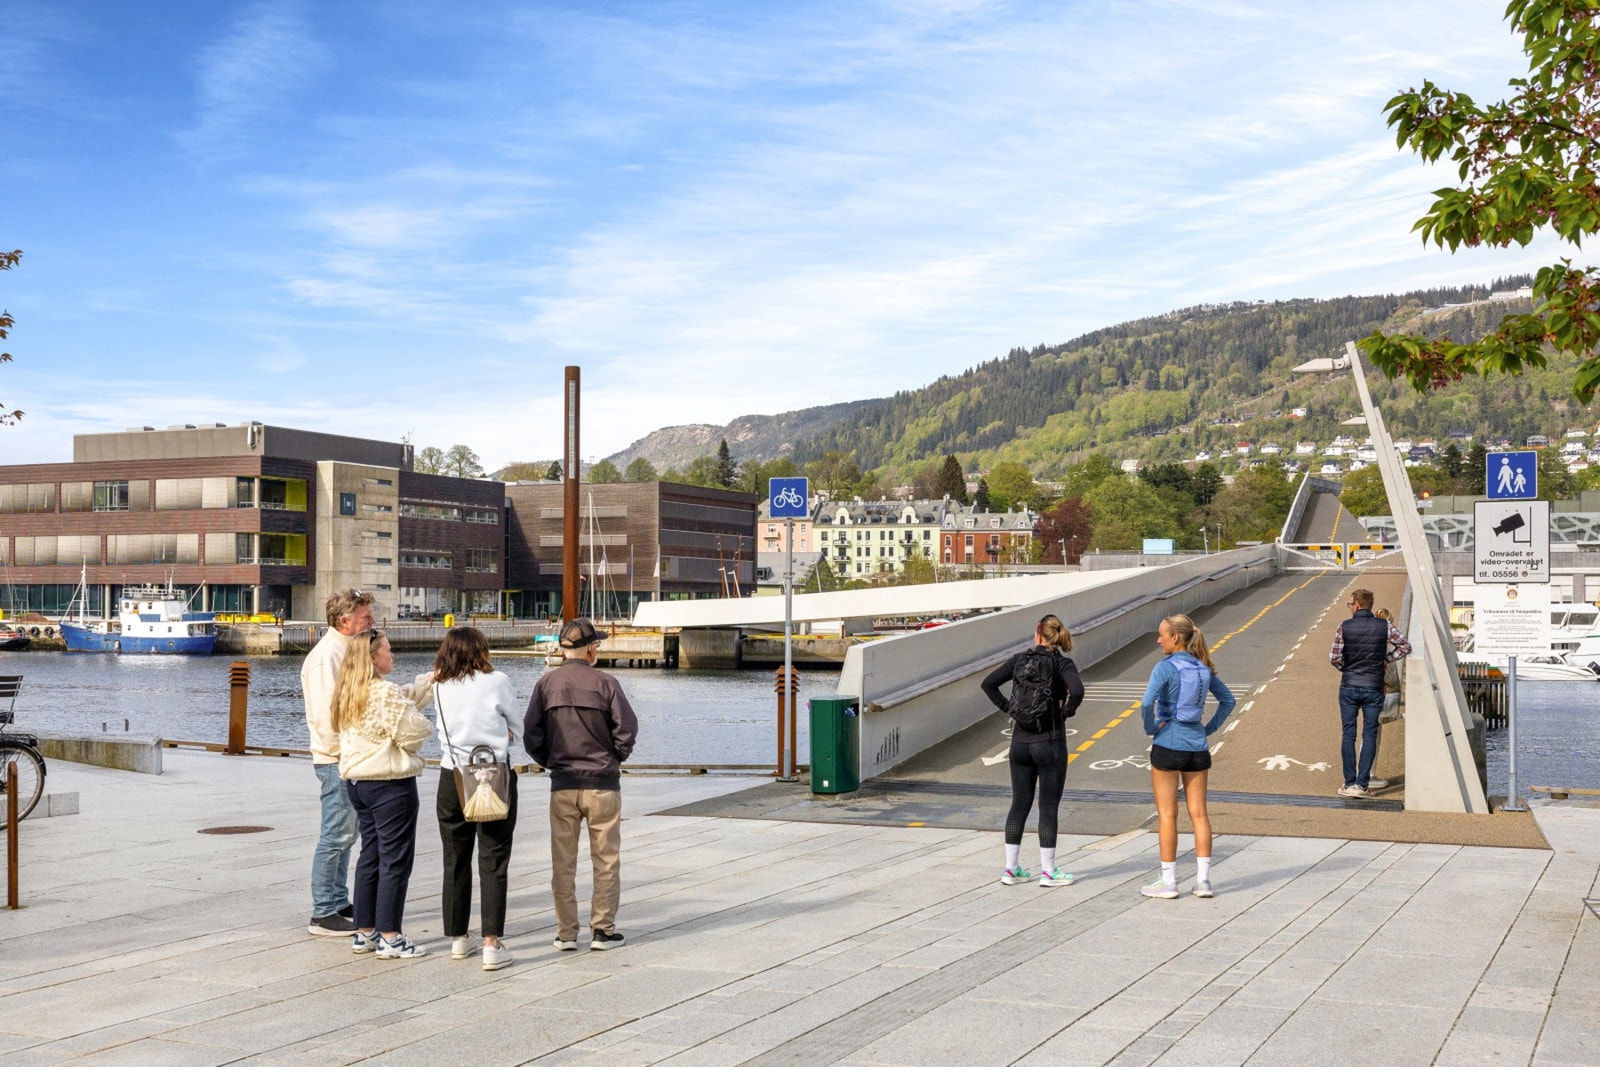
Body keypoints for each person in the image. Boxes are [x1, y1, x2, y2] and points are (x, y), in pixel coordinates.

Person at [525, 618, 638, 952]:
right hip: (602, 783)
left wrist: (552, 762)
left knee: (563, 863)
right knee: (605, 860)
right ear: (590, 648)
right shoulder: (607, 683)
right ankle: (602, 930)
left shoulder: (546, 684)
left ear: (562, 649)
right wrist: (614, 757)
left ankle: (566, 933)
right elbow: (627, 730)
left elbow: (532, 734)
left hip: (563, 784)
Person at [335, 630, 435, 959]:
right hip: (390, 785)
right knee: (395, 861)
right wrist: (426, 724)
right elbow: (410, 730)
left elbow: (401, 699)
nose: (393, 656)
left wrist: (429, 681)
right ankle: (391, 936)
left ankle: (364, 932)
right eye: (388, 651)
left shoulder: (349, 691)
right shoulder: (384, 693)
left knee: (370, 856)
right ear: (374, 658)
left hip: (358, 784)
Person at [433, 626, 522, 971]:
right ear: (481, 650)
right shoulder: (497, 680)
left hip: (451, 777)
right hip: (493, 775)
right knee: (493, 859)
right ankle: (491, 944)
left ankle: (458, 939)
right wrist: (505, 737)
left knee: (454, 859)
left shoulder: (439, 686)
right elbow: (519, 724)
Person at [980, 614, 1085, 887]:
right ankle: (1048, 871)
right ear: (1058, 634)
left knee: (1019, 804)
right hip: (1050, 742)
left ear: (1038, 631)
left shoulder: (1019, 661)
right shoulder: (1062, 663)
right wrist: (1065, 713)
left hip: (1019, 744)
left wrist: (1010, 709)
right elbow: (1077, 690)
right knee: (1048, 806)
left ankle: (1011, 869)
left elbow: (988, 684)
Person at [1139, 614, 1236, 899]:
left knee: (1168, 815)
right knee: (1200, 814)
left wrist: (1150, 728)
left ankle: (1168, 883)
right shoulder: (1204, 667)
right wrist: (1208, 728)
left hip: (1168, 744)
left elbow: (1147, 704)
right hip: (1197, 747)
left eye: (1162, 635)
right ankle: (1203, 881)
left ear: (1176, 638)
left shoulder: (1164, 668)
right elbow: (1228, 701)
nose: (1158, 640)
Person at [302, 588, 375, 937]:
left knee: (348, 833)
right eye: (365, 617)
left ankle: (336, 898)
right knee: (336, 833)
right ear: (345, 621)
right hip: (337, 759)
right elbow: (326, 716)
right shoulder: (325, 658)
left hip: (349, 756)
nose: (372, 621)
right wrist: (343, 755)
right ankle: (323, 910)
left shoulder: (346, 651)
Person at [1329, 589, 1412, 798]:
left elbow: (1334, 657)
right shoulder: (1384, 626)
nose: (1350, 608)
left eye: (1350, 604)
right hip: (1374, 687)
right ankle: (1363, 785)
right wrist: (1386, 660)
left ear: (1356, 604)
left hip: (1348, 686)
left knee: (1348, 733)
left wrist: (1347, 668)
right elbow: (1405, 646)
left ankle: (1348, 784)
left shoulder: (1344, 627)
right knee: (1369, 734)